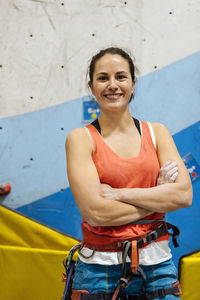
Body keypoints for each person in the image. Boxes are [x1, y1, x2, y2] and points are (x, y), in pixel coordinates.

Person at [65, 47, 193, 300]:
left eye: (121, 77)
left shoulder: (158, 133)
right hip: (98, 271)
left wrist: (118, 193)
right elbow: (97, 213)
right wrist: (157, 197)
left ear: (133, 83)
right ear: (91, 86)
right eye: (103, 78)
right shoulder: (81, 139)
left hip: (158, 265)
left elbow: (184, 196)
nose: (113, 85)